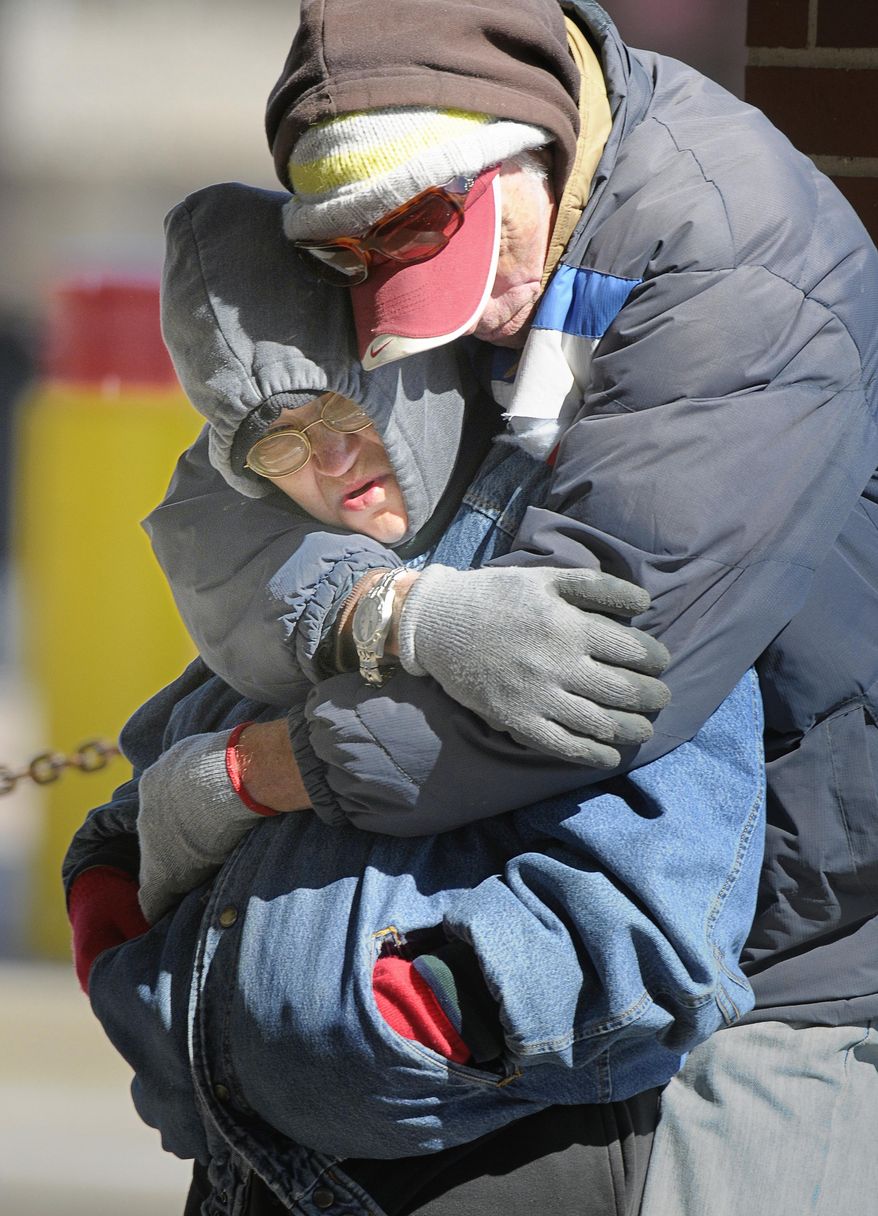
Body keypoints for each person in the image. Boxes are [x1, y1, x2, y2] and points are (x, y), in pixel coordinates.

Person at [143, 1, 878, 1213]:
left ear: (528, 139)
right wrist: (391, 610)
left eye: (422, 239)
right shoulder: (433, 208)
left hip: (781, 938)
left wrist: (237, 777)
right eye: (351, 258)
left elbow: (586, 693)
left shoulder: (734, 262)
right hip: (509, 898)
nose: (393, 301)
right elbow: (217, 518)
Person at [64, 182, 765, 1216]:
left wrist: (421, 1010)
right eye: (278, 443)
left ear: (399, 377)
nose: (325, 465)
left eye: (341, 412)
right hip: (244, 1151)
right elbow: (138, 815)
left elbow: (664, 908)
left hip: (483, 1153)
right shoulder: (297, 565)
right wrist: (125, 941)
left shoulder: (570, 532)